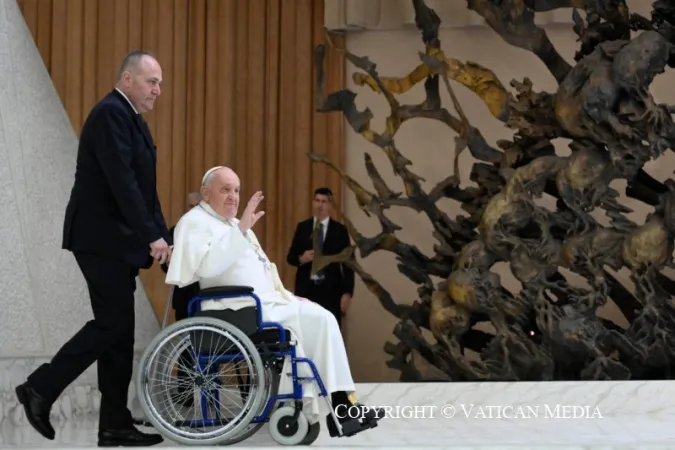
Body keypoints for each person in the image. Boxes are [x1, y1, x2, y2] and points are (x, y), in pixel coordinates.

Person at [15, 51, 169, 447]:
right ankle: (40, 388)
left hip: (118, 243)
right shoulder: (109, 114)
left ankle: (114, 424)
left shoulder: (131, 119)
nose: (158, 90)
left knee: (120, 331)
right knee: (112, 324)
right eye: (151, 82)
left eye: (160, 83)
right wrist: (151, 235)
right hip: (100, 240)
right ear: (128, 78)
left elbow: (145, 190)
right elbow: (122, 183)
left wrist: (161, 234)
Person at [165, 166, 382, 436]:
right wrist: (242, 227)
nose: (233, 196)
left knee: (323, 318)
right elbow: (208, 269)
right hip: (233, 308)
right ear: (206, 193)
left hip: (261, 303)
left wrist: (289, 296)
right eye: (225, 189)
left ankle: (343, 406)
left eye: (236, 190)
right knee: (320, 320)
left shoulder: (232, 224)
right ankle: (337, 408)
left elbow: (264, 269)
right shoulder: (194, 221)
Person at [286, 187, 354, 329]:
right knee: (306, 331)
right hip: (306, 290)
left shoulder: (340, 231)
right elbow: (290, 257)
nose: (319, 205)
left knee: (330, 332)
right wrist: (301, 259)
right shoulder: (303, 227)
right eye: (317, 201)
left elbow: (349, 264)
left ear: (330, 205)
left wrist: (347, 293)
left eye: (323, 201)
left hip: (331, 292)